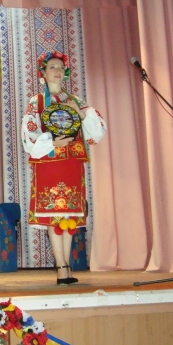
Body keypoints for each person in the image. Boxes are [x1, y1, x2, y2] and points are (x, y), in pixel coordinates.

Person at [22, 51, 107, 285]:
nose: (57, 71)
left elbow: (96, 131)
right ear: (43, 72)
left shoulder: (76, 100)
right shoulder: (37, 102)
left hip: (72, 163)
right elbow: (29, 133)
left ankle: (66, 265)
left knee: (69, 216)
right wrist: (51, 143)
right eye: (52, 67)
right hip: (50, 162)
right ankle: (61, 267)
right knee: (54, 214)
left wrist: (78, 112)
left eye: (61, 67)